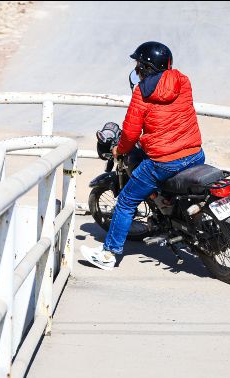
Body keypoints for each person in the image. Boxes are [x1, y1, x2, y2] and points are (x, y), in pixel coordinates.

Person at [81, 41, 205, 270]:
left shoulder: (142, 93)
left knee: (126, 202)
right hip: (195, 153)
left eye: (139, 65)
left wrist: (120, 149)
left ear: (146, 68)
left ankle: (108, 254)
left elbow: (129, 132)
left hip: (165, 161)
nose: (137, 70)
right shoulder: (183, 81)